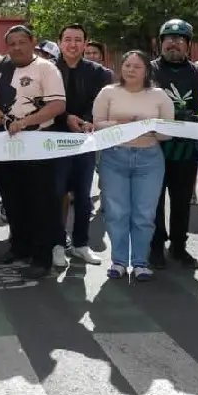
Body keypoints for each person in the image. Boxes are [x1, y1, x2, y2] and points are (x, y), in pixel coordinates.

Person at [0, 25, 66, 279]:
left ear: (32, 42)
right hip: (7, 144)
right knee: (13, 200)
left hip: (36, 143)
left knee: (40, 203)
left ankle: (41, 257)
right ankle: (19, 247)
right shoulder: (4, 64)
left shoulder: (46, 68)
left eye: (21, 42)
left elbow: (58, 105)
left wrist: (25, 122)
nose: (16, 47)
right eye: (11, 43)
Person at [93, 50, 174, 280]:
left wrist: (151, 129)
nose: (131, 70)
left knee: (144, 214)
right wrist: (120, 124)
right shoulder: (108, 92)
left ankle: (140, 262)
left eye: (137, 66)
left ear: (147, 70)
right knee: (117, 212)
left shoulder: (159, 95)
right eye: (127, 65)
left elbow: (168, 131)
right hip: (114, 157)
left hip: (149, 158)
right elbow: (97, 124)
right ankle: (118, 261)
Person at [149, 19, 198, 270]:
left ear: (188, 45)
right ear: (160, 42)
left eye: (180, 39)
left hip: (185, 148)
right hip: (153, 147)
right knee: (154, 200)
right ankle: (155, 246)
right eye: (169, 38)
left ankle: (178, 246)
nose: (174, 43)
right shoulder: (148, 70)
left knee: (182, 199)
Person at [52, 24, 111, 266]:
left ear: (86, 44)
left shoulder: (100, 73)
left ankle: (81, 244)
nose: (73, 44)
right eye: (68, 39)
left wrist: (87, 121)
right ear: (59, 42)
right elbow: (41, 101)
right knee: (57, 194)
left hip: (86, 138)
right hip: (53, 139)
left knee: (84, 196)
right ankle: (56, 244)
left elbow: (101, 102)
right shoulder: (48, 69)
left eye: (78, 40)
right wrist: (66, 117)